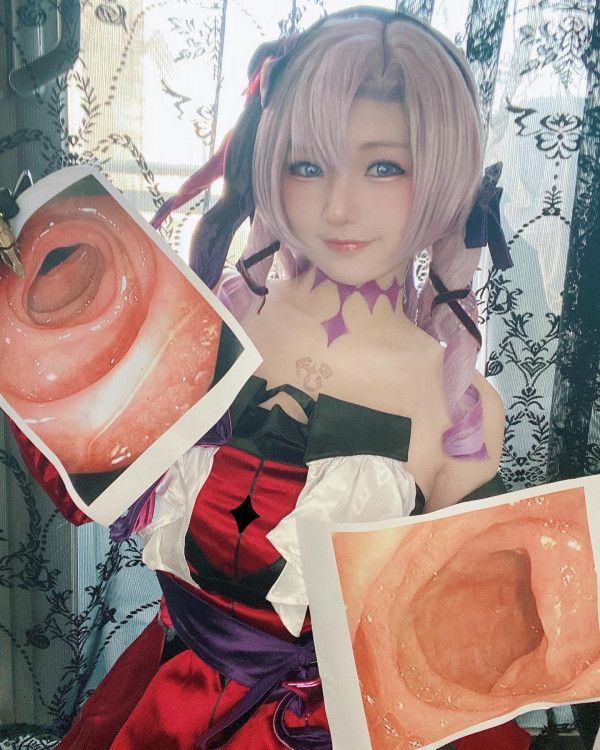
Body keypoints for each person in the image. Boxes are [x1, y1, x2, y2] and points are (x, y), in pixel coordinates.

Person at [9, 7, 534, 749]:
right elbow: (89, 486)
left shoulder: (460, 410)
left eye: (385, 166)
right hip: (166, 705)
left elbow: (459, 653)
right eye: (308, 165)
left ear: (444, 170)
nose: (340, 206)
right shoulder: (202, 328)